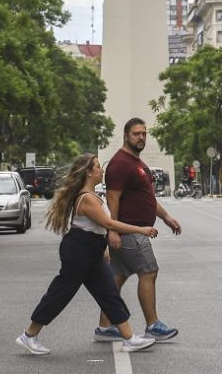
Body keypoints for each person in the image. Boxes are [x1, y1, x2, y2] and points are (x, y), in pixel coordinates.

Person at [16, 154, 158, 356]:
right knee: (60, 293)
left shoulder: (91, 195)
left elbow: (98, 229)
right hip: (79, 251)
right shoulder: (87, 198)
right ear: (89, 172)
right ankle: (29, 335)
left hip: (90, 249)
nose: (102, 170)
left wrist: (103, 247)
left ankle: (129, 339)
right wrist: (140, 229)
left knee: (108, 293)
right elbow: (108, 224)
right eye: (98, 167)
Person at [95, 118, 183, 343]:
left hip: (133, 231)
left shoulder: (136, 162)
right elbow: (112, 200)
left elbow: (147, 198)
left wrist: (166, 217)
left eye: (144, 133)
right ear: (126, 136)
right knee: (149, 272)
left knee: (117, 277)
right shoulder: (120, 164)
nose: (141, 137)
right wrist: (112, 231)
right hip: (131, 231)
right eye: (136, 134)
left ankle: (105, 327)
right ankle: (153, 325)